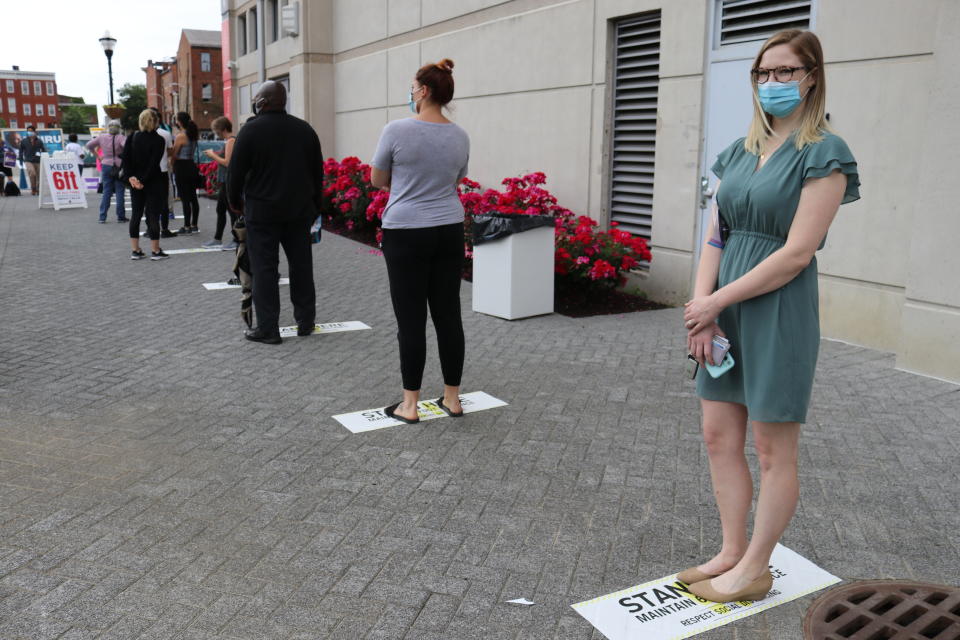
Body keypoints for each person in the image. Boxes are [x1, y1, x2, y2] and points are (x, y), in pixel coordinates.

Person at [680, 30, 860, 603]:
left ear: (812, 76)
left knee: (772, 447)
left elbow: (796, 254)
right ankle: (732, 551)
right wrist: (701, 311)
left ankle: (756, 567)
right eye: (763, 74)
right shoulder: (738, 150)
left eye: (786, 72)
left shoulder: (825, 154)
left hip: (777, 310)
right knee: (717, 436)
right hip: (723, 309)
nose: (773, 84)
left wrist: (717, 302)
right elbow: (716, 234)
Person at [370, 58, 470, 424]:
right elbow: (456, 178)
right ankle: (453, 399)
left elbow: (377, 179)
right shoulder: (460, 135)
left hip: (406, 231)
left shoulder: (396, 130)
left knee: (410, 318)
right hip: (448, 229)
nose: (410, 93)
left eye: (412, 88)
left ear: (423, 91)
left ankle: (409, 405)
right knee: (448, 315)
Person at [228, 80, 321, 344]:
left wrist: (234, 202)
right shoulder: (304, 130)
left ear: (262, 102)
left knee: (265, 269)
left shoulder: (250, 131)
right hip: (299, 211)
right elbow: (317, 173)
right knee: (302, 266)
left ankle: (268, 329)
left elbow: (235, 174)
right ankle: (306, 321)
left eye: (257, 97)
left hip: (263, 213)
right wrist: (316, 207)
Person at [122, 109, 170, 261]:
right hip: (153, 181)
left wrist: (132, 178)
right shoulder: (159, 140)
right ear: (155, 122)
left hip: (135, 182)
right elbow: (153, 163)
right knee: (152, 215)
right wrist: (142, 180)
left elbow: (126, 160)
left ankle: (135, 250)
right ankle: (155, 251)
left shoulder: (132, 137)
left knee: (136, 214)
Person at [202, 116, 238, 250]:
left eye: (216, 130)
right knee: (222, 209)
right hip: (225, 181)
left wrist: (213, 156)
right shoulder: (229, 141)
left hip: (228, 181)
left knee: (231, 211)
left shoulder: (230, 141)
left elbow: (227, 162)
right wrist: (216, 154)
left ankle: (237, 239)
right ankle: (218, 238)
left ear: (222, 129)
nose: (215, 133)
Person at [86, 121, 127, 222]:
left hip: (105, 164)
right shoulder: (121, 137)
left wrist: (98, 156)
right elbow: (127, 147)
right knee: (120, 190)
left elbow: (89, 145)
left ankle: (102, 217)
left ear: (109, 127)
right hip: (118, 165)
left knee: (106, 191)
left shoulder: (101, 137)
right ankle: (121, 216)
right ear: (119, 128)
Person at [149, 107, 177, 238]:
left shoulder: (140, 134)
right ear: (159, 119)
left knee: (149, 201)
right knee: (164, 201)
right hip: (163, 169)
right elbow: (171, 152)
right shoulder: (165, 134)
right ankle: (164, 229)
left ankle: (150, 229)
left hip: (148, 172)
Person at [172, 111, 201, 235]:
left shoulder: (181, 136)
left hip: (181, 167)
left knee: (185, 198)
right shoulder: (193, 134)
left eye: (176, 120)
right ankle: (194, 224)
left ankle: (186, 226)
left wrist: (171, 165)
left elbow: (174, 154)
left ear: (179, 122)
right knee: (193, 197)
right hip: (191, 165)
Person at [18, 125, 46, 195]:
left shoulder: (39, 141)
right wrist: (21, 159)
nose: (29, 132)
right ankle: (33, 189)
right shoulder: (24, 141)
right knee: (32, 173)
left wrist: (45, 156)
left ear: (34, 131)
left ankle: (38, 189)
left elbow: (43, 150)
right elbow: (21, 150)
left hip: (38, 160)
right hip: (28, 160)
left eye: (31, 131)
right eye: (28, 131)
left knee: (39, 175)